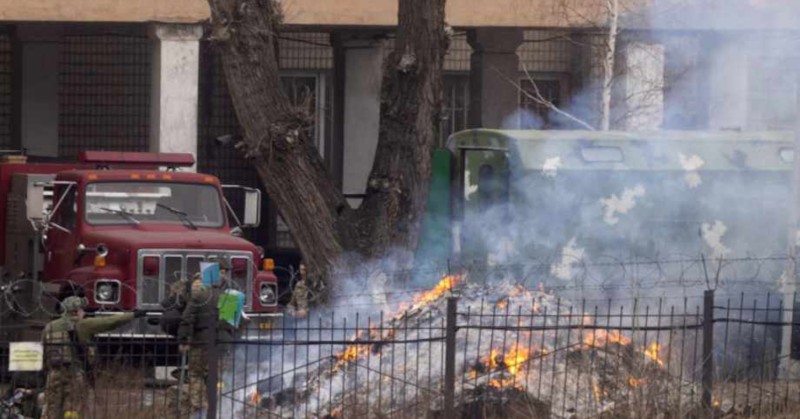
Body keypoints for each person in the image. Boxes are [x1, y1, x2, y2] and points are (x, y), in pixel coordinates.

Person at [40, 296, 144, 419]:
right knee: (74, 408)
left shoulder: (49, 327)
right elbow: (109, 322)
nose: (84, 312)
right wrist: (133, 315)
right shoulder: (83, 324)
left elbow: (43, 351)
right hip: (75, 373)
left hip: (54, 374)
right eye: (82, 309)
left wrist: (44, 372)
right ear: (77, 310)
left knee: (51, 408)